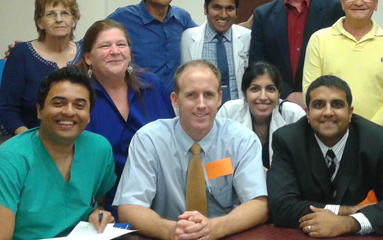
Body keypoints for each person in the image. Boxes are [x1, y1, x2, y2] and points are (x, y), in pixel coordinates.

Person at [114, 60, 268, 240]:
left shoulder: (242, 140)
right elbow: (129, 209)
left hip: (224, 235)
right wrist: (172, 231)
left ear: (219, 98)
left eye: (208, 95)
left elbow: (258, 205)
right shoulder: (149, 140)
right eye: (191, 95)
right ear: (175, 99)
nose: (201, 104)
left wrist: (214, 228)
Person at [267, 75, 383, 237]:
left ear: (350, 112)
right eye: (318, 105)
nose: (328, 112)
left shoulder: (379, 142)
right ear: (307, 114)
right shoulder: (287, 141)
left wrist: (349, 223)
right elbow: (280, 206)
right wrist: (347, 211)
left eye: (337, 105)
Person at [0, 67, 116, 239]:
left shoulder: (99, 149)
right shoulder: (8, 161)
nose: (69, 111)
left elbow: (96, 203)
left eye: (79, 105)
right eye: (58, 103)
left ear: (89, 115)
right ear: (39, 110)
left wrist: (97, 214)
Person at [76, 19, 175, 218]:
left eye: (121, 44)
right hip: (100, 204)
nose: (115, 51)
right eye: (105, 46)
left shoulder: (151, 85)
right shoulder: (78, 95)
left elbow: (173, 139)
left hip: (161, 196)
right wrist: (95, 208)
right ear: (88, 57)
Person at [302, 0, 383, 130]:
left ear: (376, 3)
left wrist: (368, 132)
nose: (359, 2)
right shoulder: (319, 40)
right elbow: (311, 91)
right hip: (330, 135)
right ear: (342, 2)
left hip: (378, 140)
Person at [249, 0, 344, 108]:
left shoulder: (336, 8)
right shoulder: (263, 15)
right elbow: (258, 65)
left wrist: (312, 93)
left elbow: (344, 57)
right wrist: (287, 93)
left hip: (327, 103)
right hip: (279, 104)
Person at [0, 0, 84, 135]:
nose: (59, 19)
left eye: (65, 13)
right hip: (33, 143)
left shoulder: (86, 52)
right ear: (40, 23)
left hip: (82, 141)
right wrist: (31, 139)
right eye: (51, 14)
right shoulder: (21, 54)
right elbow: (5, 112)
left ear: (74, 20)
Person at [107, 0, 197, 92]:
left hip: (175, 103)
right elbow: (91, 42)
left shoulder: (181, 17)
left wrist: (236, 29)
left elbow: (203, 36)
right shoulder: (123, 17)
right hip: (138, 101)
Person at [217, 61, 305, 168]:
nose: (263, 97)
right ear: (244, 94)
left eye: (270, 89)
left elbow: (303, 163)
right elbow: (215, 161)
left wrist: (271, 176)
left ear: (279, 94)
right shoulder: (229, 112)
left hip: (283, 183)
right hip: (236, 183)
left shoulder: (293, 115)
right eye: (255, 89)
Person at [181, 0, 251, 104]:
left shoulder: (247, 37)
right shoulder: (189, 37)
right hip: (202, 108)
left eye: (229, 8)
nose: (223, 15)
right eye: (217, 7)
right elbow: (184, 81)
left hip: (237, 111)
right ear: (205, 9)